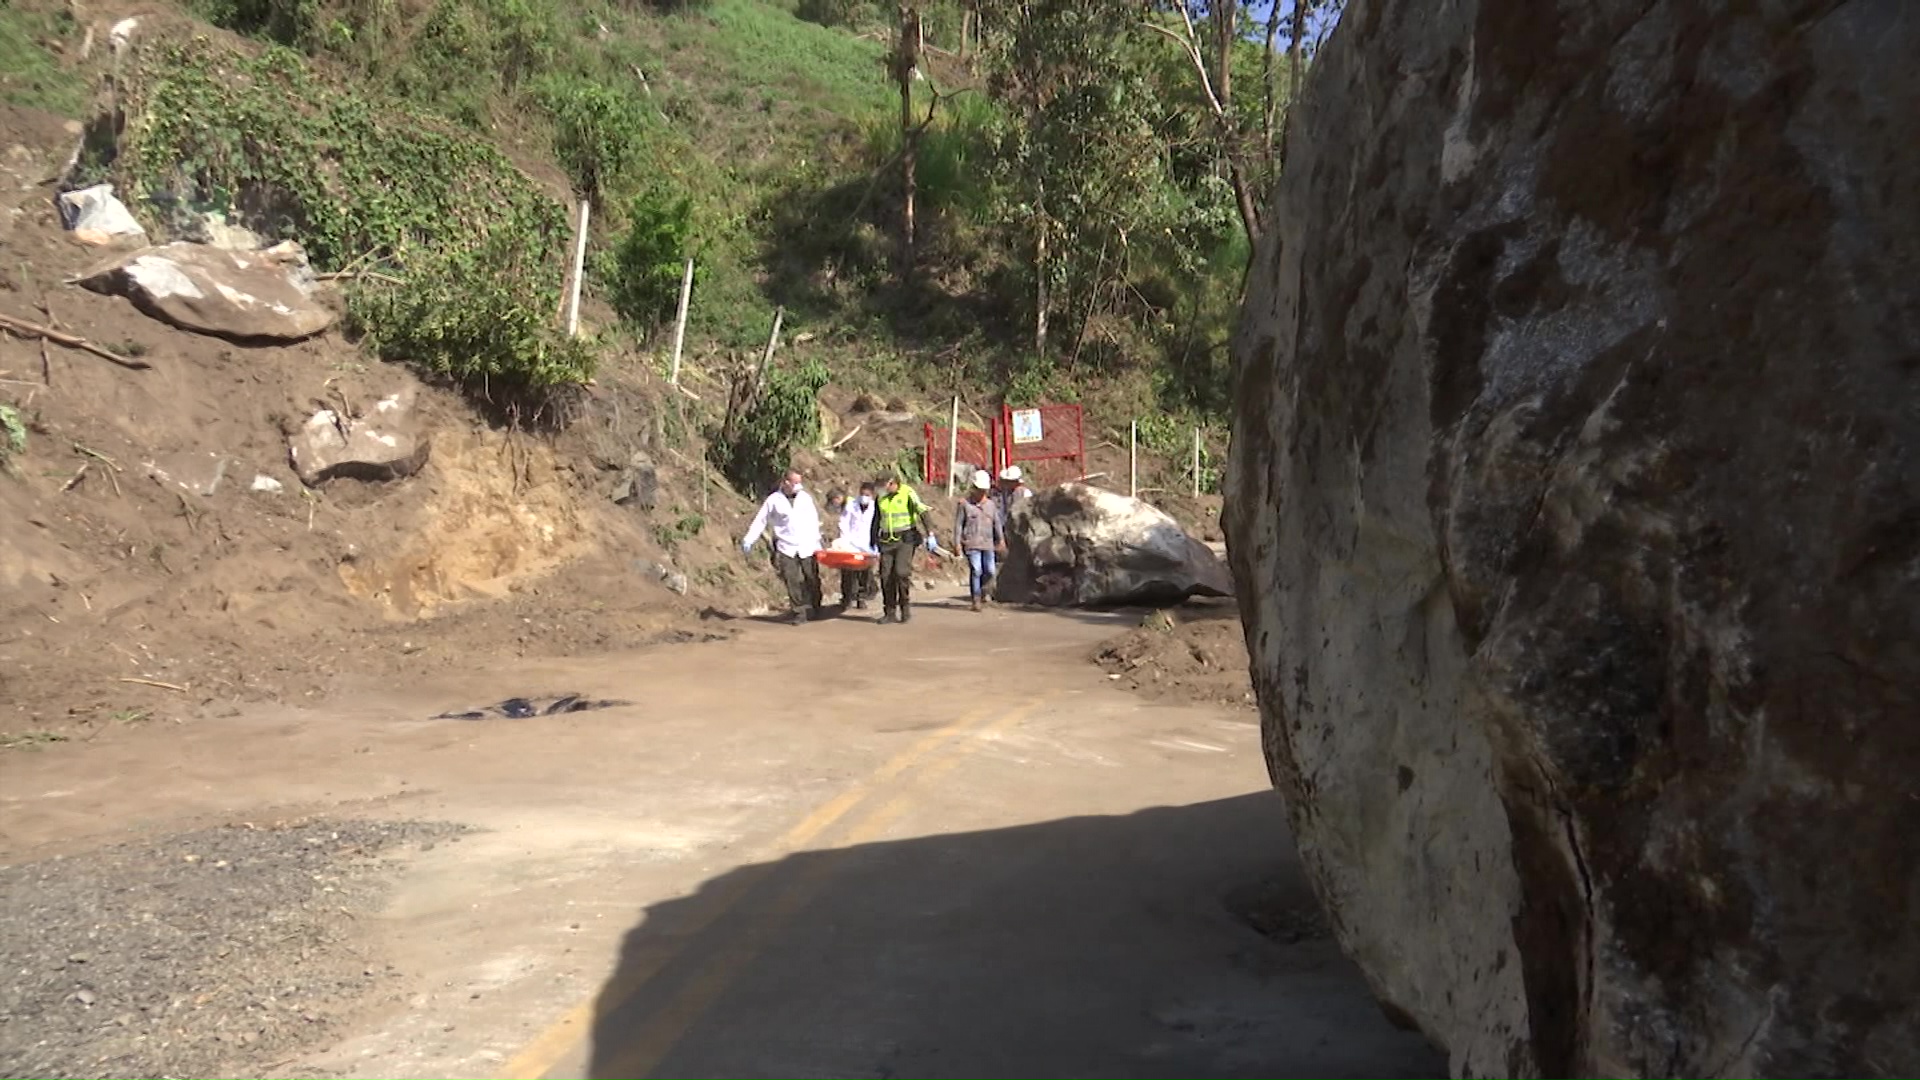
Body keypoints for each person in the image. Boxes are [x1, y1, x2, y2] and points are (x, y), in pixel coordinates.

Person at [740, 468, 823, 625]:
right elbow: (761, 520)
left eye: (800, 482)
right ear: (786, 482)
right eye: (795, 482)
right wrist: (749, 539)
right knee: (791, 579)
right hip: (786, 545)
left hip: (807, 544)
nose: (799, 486)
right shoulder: (773, 500)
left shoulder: (805, 498)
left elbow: (813, 521)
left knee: (811, 577)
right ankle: (799, 612)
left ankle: (815, 604)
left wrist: (817, 542)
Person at [869, 473, 936, 625]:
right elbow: (876, 519)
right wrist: (872, 540)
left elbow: (923, 512)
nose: (880, 489)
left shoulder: (908, 493)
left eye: (883, 485)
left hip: (905, 539)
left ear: (892, 483)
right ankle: (890, 611)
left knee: (901, 572)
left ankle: (905, 607)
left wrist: (930, 534)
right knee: (886, 576)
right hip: (886, 540)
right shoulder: (881, 498)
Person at [954, 469, 1005, 612]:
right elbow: (958, 525)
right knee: (976, 570)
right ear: (974, 488)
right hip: (971, 543)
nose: (982, 493)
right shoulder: (964, 505)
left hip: (988, 544)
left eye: (984, 490)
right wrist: (957, 543)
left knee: (990, 570)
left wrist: (1000, 540)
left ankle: (984, 591)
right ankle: (975, 598)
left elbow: (997, 523)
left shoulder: (991, 505)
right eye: (979, 490)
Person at [836, 480, 879, 610]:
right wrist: (844, 540)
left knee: (864, 572)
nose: (864, 497)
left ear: (872, 495)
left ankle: (861, 597)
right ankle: (847, 597)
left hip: (867, 544)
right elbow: (843, 522)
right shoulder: (851, 505)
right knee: (848, 572)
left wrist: (875, 545)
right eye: (862, 494)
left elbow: (877, 526)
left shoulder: (875, 508)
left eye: (867, 495)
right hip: (851, 543)